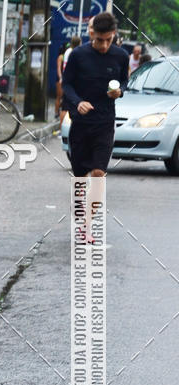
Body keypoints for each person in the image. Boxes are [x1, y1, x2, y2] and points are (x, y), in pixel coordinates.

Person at [62, 12, 128, 239]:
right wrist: (77, 102)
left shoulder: (121, 56)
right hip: (81, 124)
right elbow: (67, 85)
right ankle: (80, 215)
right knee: (80, 178)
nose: (104, 45)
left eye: (109, 40)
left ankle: (87, 226)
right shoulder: (78, 55)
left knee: (99, 173)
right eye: (100, 40)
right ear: (92, 34)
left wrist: (120, 91)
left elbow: (125, 81)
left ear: (114, 35)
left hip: (105, 123)